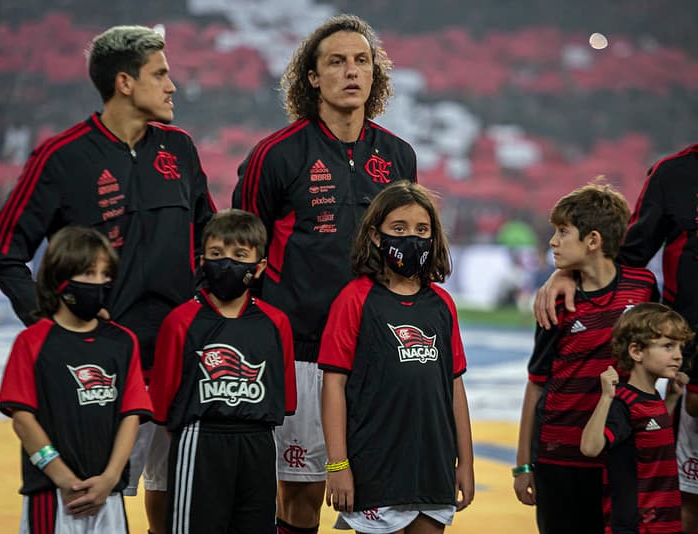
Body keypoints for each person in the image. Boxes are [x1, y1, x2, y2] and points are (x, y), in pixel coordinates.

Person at [0, 24, 216, 530]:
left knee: (181, 500)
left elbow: (207, 237)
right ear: (125, 83)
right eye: (160, 74)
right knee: (96, 506)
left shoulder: (181, 149)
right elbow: (1, 254)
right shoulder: (60, 157)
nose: (172, 86)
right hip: (101, 376)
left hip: (183, 364)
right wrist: (55, 328)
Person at [232, 14, 417, 533]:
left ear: (375, 74)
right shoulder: (275, 155)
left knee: (380, 497)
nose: (351, 71)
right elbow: (241, 253)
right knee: (301, 496)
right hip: (300, 354)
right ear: (312, 77)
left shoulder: (399, 156)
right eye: (336, 62)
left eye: (362, 61)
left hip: (377, 354)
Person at [534, 146, 698, 530]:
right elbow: (627, 254)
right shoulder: (673, 173)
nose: (553, 241)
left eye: (562, 233)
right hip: (689, 381)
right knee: (683, 505)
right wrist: (571, 269)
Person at [319, 181, 474, 534]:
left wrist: (465, 461)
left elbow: (455, 387)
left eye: (422, 230)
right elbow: (334, 385)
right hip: (375, 465)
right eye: (399, 229)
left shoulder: (442, 304)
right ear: (376, 236)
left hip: (432, 465)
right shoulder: (354, 299)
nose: (412, 238)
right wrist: (337, 464)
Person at [514, 183, 660, 534]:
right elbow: (536, 384)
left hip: (621, 451)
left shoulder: (643, 287)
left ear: (593, 240)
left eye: (563, 232)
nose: (553, 241)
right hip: (559, 457)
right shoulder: (554, 301)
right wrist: (523, 465)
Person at [145, 208, 297, 533]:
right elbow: (163, 409)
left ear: (259, 267)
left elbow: (283, 402)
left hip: (258, 443)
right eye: (216, 254)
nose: (226, 263)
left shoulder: (276, 323)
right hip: (199, 440)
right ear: (202, 261)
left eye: (239, 255)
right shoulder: (179, 321)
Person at [0, 226, 153, 533]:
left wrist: (110, 478)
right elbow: (23, 421)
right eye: (88, 273)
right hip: (51, 495)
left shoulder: (123, 342)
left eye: (105, 274)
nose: (99, 283)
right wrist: (63, 478)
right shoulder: (32, 342)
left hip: (108, 495)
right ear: (59, 277)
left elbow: (131, 416)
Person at [581, 302, 693, 533]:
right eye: (668, 346)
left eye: (680, 347)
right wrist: (606, 398)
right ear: (636, 352)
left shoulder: (651, 398)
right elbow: (590, 448)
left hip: (661, 522)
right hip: (635, 525)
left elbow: (649, 433)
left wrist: (672, 399)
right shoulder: (623, 402)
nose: (678, 356)